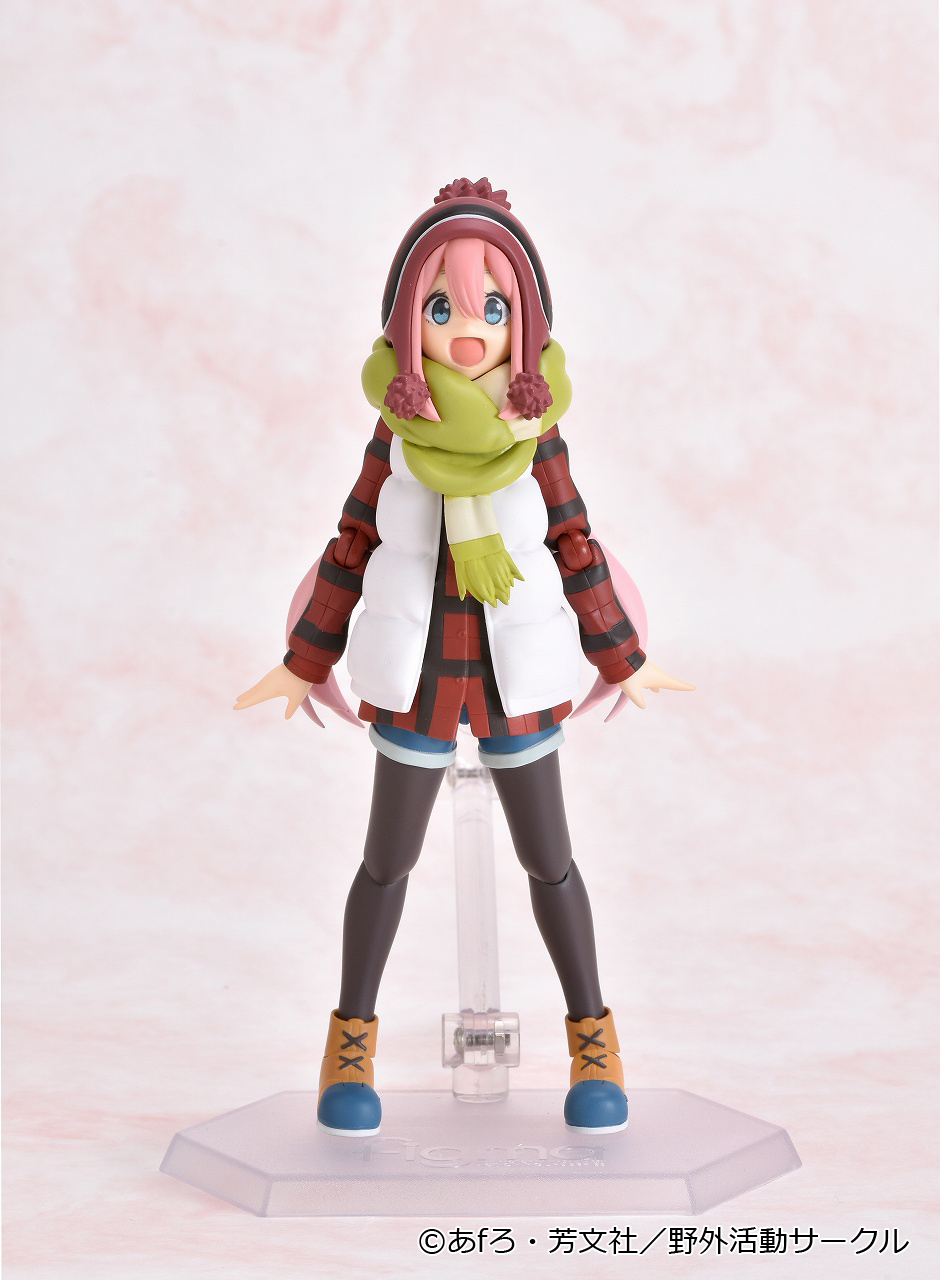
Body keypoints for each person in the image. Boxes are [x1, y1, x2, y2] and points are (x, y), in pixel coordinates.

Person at [235, 177, 693, 1137]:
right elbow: (353, 543)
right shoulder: (396, 436)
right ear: (409, 322)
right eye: (442, 309)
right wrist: (305, 655)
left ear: (527, 321)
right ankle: (349, 1049)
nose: (470, 331)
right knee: (385, 865)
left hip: (518, 680)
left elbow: (573, 544)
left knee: (552, 864)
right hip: (417, 681)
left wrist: (621, 653)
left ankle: (593, 1042)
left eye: (494, 308)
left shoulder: (537, 434)